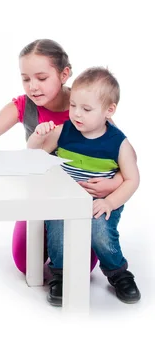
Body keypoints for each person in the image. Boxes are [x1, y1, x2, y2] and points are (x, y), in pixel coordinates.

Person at [0, 39, 123, 274]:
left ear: (64, 74)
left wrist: (114, 183)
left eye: (41, 78)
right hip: (40, 194)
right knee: (25, 262)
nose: (33, 87)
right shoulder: (24, 105)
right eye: (26, 79)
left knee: (82, 266)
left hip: (79, 195)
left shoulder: (88, 104)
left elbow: (120, 156)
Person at [28, 66, 141, 305]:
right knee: (58, 227)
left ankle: (118, 273)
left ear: (109, 111)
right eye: (73, 106)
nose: (77, 114)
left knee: (100, 231)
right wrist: (38, 137)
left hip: (100, 201)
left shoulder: (119, 143)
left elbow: (132, 179)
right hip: (65, 199)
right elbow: (34, 155)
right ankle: (60, 274)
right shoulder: (64, 131)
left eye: (86, 109)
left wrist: (110, 201)